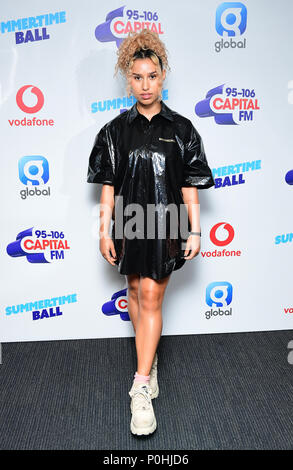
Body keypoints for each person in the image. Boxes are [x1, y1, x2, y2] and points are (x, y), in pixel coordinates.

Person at [87, 29, 215, 436]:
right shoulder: (112, 131)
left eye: (152, 76)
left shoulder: (182, 129)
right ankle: (150, 355)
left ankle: (141, 386)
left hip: (167, 222)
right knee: (134, 294)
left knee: (152, 294)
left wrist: (195, 231)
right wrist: (104, 230)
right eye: (138, 77)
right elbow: (108, 186)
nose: (145, 85)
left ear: (163, 77)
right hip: (127, 222)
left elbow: (189, 186)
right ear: (129, 79)